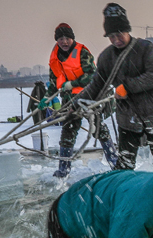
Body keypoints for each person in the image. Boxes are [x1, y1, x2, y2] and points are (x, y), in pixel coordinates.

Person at [76, 3, 153, 171]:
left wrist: (127, 87)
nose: (116, 40)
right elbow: (97, 85)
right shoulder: (106, 57)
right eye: (111, 36)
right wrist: (76, 104)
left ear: (127, 30)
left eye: (119, 34)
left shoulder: (145, 48)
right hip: (128, 119)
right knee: (124, 166)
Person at [38, 23, 119, 178]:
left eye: (67, 38)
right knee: (68, 130)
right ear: (57, 40)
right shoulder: (54, 57)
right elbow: (54, 81)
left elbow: (92, 75)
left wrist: (72, 84)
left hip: (89, 96)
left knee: (99, 128)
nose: (64, 42)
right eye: (61, 39)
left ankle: (114, 162)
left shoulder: (82, 52)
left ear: (72, 38)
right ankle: (63, 169)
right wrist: (47, 97)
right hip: (70, 100)